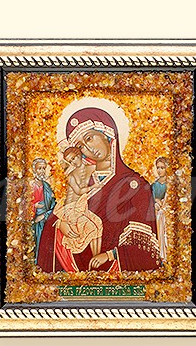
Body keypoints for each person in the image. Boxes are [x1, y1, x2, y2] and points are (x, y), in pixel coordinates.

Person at [36, 106, 161, 273]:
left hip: (116, 274)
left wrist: (111, 255)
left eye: (89, 138)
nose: (88, 149)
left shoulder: (137, 185)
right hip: (73, 272)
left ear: (107, 133)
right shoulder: (81, 180)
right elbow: (62, 212)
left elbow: (145, 248)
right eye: (80, 146)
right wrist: (60, 225)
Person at [52, 146, 103, 257]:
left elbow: (103, 166)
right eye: (70, 161)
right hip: (70, 209)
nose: (73, 162)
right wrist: (94, 186)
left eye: (74, 158)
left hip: (81, 206)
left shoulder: (91, 168)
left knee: (98, 223)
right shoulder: (71, 176)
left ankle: (97, 256)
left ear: (79, 155)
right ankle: (94, 258)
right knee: (91, 228)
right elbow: (79, 191)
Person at [29, 158, 55, 260]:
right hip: (34, 219)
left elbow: (53, 203)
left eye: (44, 168)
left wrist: (46, 215)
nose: (42, 171)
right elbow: (23, 204)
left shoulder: (47, 186)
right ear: (34, 170)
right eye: (39, 168)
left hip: (46, 217)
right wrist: (34, 206)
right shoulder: (30, 185)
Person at [151, 156, 169, 262]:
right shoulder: (154, 185)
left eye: (162, 168)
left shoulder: (170, 184)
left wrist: (163, 203)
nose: (159, 170)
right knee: (159, 234)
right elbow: (152, 198)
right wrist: (156, 202)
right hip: (157, 213)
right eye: (158, 167)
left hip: (167, 214)